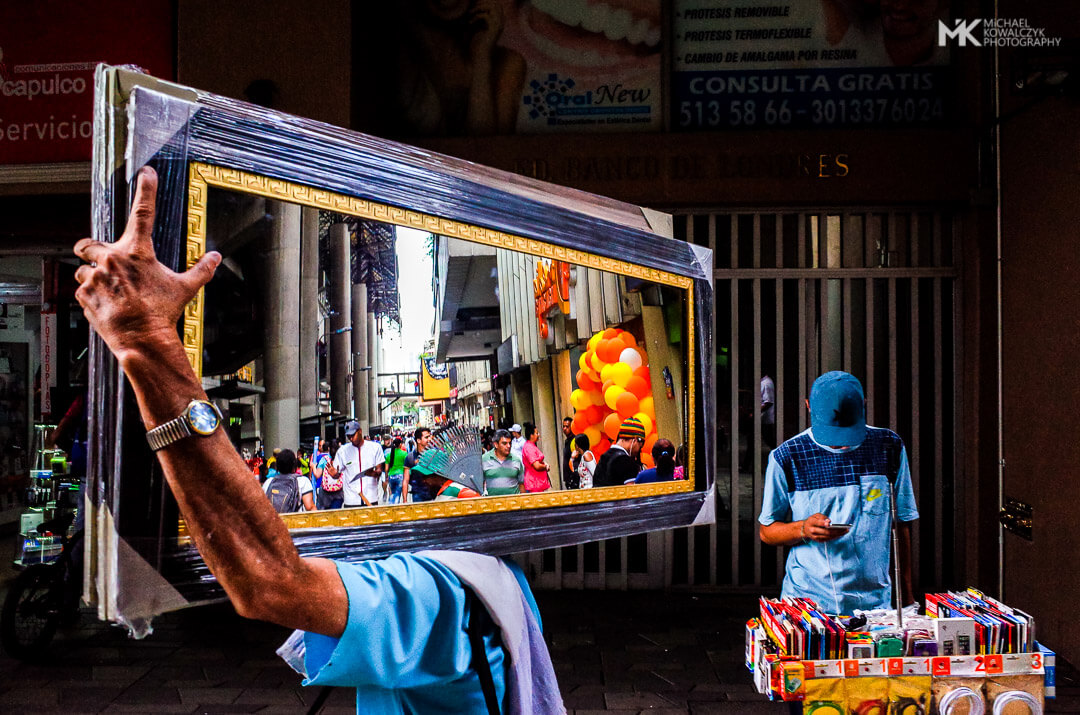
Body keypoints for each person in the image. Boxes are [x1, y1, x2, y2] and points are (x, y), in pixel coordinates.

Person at [73, 167, 561, 714]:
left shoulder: (441, 596)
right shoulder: (503, 585)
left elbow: (268, 581)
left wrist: (148, 345)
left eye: (455, 485)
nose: (459, 492)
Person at [758, 371, 919, 615]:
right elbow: (767, 531)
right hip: (807, 605)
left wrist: (907, 598)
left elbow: (902, 523)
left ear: (863, 406)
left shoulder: (889, 447)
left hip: (875, 606)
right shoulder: (786, 457)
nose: (839, 444)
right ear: (808, 406)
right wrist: (803, 529)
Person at [324, 421, 386, 507]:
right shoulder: (342, 451)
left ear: (360, 431)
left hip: (370, 498)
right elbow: (337, 473)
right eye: (349, 436)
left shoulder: (375, 447)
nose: (351, 438)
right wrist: (334, 475)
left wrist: (373, 473)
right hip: (351, 500)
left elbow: (379, 470)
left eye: (353, 435)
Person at [592, 417, 646, 487]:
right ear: (635, 440)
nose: (639, 450)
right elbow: (632, 492)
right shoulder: (627, 462)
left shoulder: (604, 457)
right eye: (640, 446)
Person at [481, 429, 525, 496]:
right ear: (496, 444)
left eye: (510, 443)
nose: (508, 446)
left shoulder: (516, 461)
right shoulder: (484, 460)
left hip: (514, 504)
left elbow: (521, 484)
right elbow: (479, 484)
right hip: (493, 504)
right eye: (504, 443)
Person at [404, 426, 433, 502]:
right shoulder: (410, 458)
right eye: (426, 437)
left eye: (430, 436)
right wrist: (404, 500)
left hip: (434, 496)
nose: (429, 439)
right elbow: (405, 480)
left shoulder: (435, 455)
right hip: (418, 497)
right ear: (418, 440)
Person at [520, 422, 551, 493]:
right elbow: (536, 466)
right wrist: (545, 466)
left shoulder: (531, 445)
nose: (539, 435)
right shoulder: (529, 447)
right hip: (534, 483)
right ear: (531, 435)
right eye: (537, 433)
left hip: (537, 482)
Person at [385, 437, 409, 504]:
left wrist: (386, 476)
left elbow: (386, 469)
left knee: (392, 493)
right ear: (400, 444)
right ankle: (395, 507)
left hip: (391, 475)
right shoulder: (404, 454)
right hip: (400, 476)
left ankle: (391, 505)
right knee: (398, 494)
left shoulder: (389, 455)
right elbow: (406, 466)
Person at [559, 417, 577, 490]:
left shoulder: (574, 441)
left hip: (573, 477)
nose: (564, 429)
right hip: (568, 478)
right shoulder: (567, 441)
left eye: (567, 426)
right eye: (563, 426)